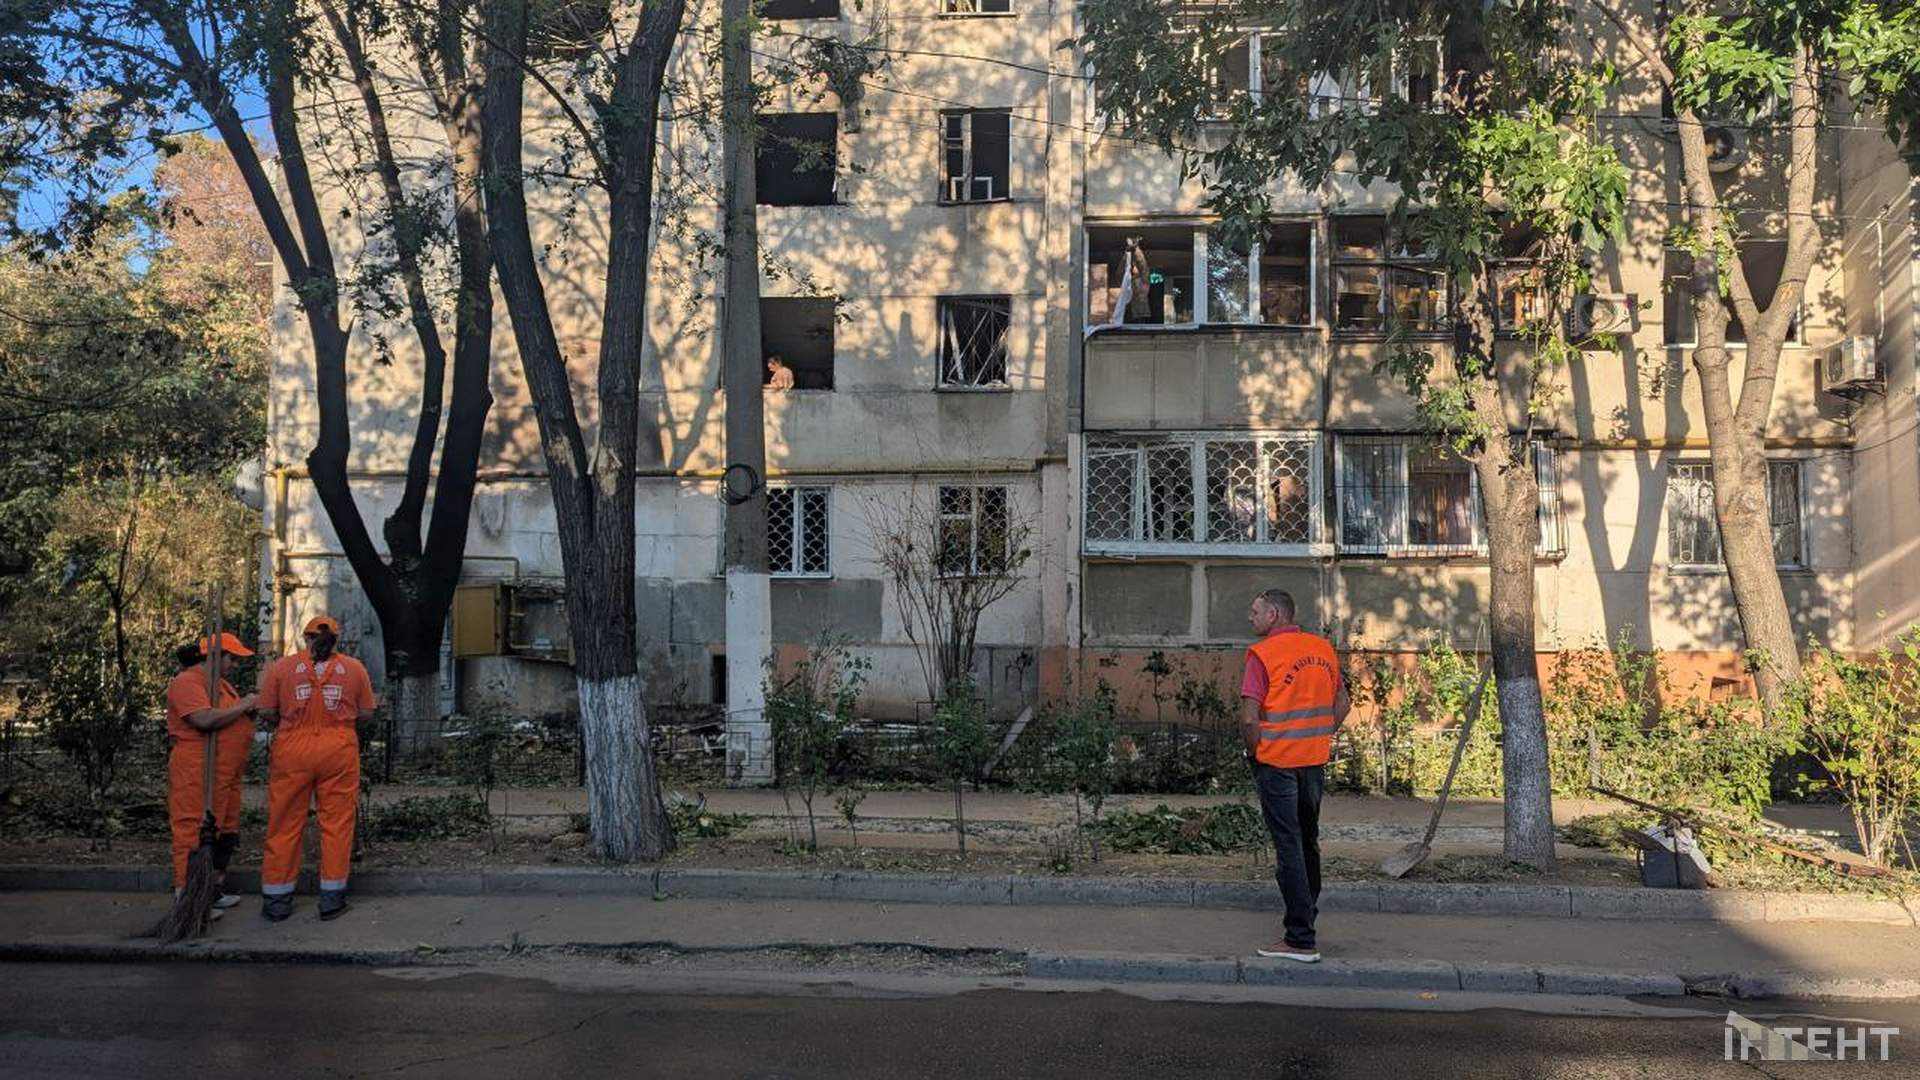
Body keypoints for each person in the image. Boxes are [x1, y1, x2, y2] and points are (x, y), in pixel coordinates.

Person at [1239, 588, 1349, 963]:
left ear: (1273, 615)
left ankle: (1300, 938)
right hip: (1313, 762)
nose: (1249, 617)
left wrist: (1255, 752)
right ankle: (1306, 916)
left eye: (1254, 611)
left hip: (1277, 765)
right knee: (1307, 842)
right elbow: (1343, 702)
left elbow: (1249, 717)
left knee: (1288, 846)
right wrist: (1319, 734)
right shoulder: (1322, 649)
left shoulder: (1262, 655)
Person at [256, 615, 377, 922]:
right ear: (337, 639)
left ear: (304, 637)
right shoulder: (354, 669)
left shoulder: (281, 668)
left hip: (292, 751)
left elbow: (267, 711)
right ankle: (332, 899)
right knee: (336, 824)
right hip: (338, 749)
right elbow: (365, 714)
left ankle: (277, 901)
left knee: (284, 823)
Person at [162, 635, 257, 911]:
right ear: (215, 656)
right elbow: (202, 719)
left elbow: (228, 718)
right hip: (197, 767)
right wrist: (243, 705)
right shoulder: (188, 682)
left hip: (224, 771)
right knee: (194, 829)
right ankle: (188, 896)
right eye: (232, 658)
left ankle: (211, 889)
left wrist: (246, 711)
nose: (234, 664)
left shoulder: (220, 685)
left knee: (224, 831)